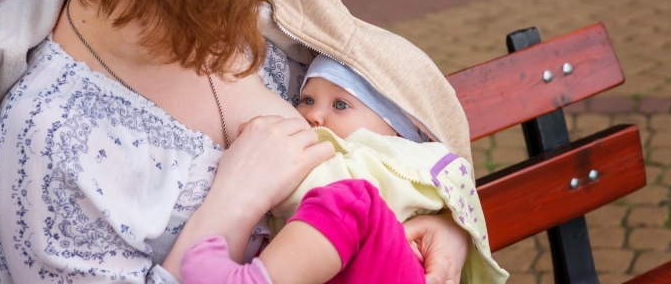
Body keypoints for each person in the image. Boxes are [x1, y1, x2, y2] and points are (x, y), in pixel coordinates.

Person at [0, 0, 477, 283]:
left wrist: (439, 229)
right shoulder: (47, 139)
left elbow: (393, 152)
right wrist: (233, 202)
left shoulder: (264, 22)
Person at [179, 56, 509, 284]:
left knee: (352, 203)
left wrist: (263, 144)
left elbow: (307, 185)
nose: (314, 116)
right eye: (307, 99)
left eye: (340, 105)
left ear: (394, 129)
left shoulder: (395, 159)